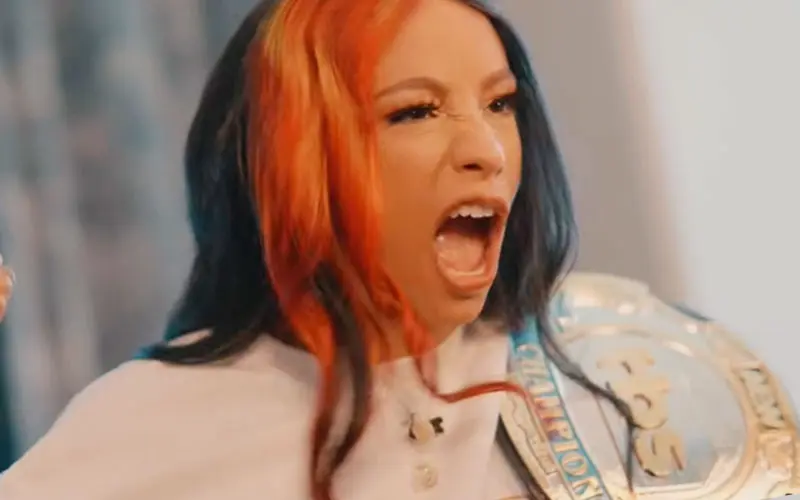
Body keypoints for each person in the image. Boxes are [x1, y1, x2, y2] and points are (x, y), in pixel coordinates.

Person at [0, 1, 633, 498]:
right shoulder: (148, 425)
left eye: (500, 104)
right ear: (284, 167)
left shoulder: (626, 365)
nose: (487, 152)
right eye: (416, 111)